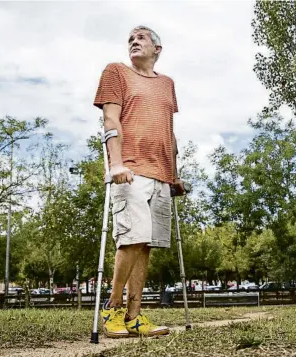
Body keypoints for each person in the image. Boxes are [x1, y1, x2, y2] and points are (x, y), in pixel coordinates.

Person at [93, 25, 184, 338]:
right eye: (130, 39)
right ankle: (113, 307)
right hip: (129, 168)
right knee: (131, 238)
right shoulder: (116, 71)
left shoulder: (168, 84)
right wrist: (115, 162)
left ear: (157, 49)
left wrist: (174, 173)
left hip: (160, 173)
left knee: (145, 244)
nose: (133, 41)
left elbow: (168, 130)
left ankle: (134, 315)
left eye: (141, 37)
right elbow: (110, 119)